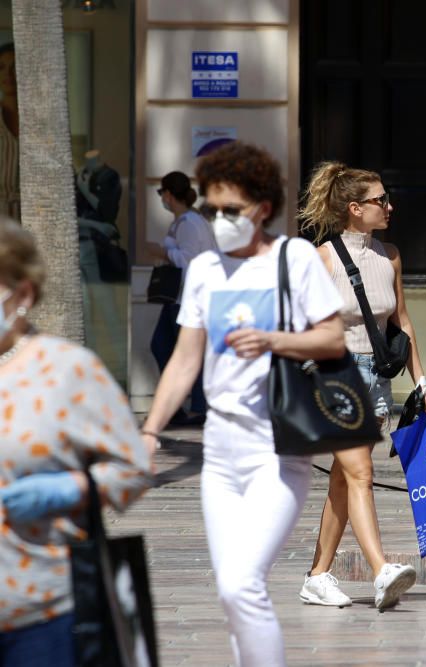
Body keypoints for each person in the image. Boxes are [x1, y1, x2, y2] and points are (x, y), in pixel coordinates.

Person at [140, 141, 347, 666]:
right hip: (221, 451)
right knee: (234, 591)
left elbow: (332, 340)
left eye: (231, 210)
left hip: (275, 451)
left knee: (241, 585)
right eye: (212, 208)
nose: (220, 219)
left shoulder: (294, 258)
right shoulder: (206, 270)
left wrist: (273, 339)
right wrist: (149, 432)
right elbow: (185, 361)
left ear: (262, 208)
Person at [0, 219, 153, 666]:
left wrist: (73, 488)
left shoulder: (67, 371)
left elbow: (132, 467)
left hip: (40, 614)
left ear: (22, 295)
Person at [297, 162, 426, 610]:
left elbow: (402, 322)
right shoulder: (321, 259)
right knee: (361, 473)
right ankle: (381, 569)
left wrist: (423, 384)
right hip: (334, 375)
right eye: (381, 200)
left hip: (376, 378)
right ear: (355, 209)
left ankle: (317, 576)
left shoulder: (390, 255)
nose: (389, 206)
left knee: (343, 478)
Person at [147, 170, 217, 425]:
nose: (162, 199)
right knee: (162, 346)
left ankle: (197, 407)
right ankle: (179, 405)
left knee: (184, 351)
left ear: (168, 194)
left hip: (187, 298)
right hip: (177, 298)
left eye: (162, 194)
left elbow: (189, 261)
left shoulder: (189, 223)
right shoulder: (184, 221)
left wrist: (162, 252)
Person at [0, 43, 18, 219]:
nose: (8, 74)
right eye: (1, 68)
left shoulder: (41, 123)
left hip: (34, 217)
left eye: (15, 67)